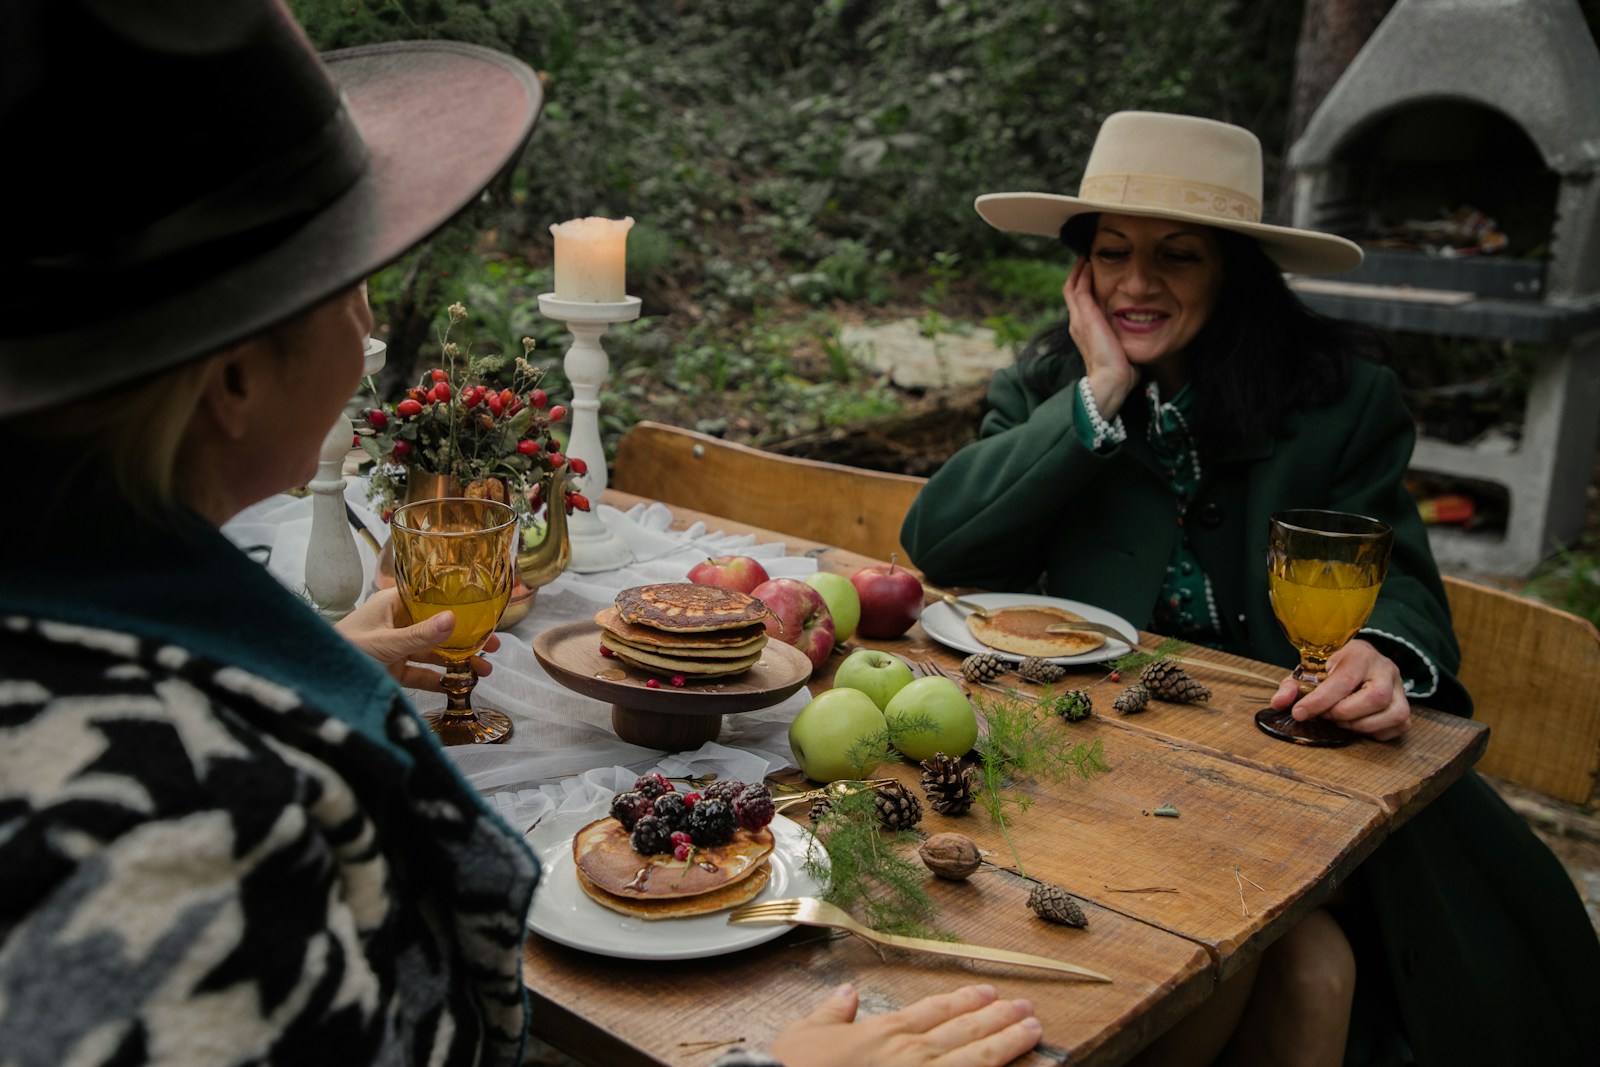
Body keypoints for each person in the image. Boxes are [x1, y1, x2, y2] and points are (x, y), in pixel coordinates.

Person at [0, 4, 1040, 1066]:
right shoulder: (190, 823)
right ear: (232, 377)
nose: (368, 326)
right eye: (346, 285)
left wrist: (304, 665)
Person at [902, 111, 1600, 1066]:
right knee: (1310, 971)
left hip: (1301, 785)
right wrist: (1099, 395)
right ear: (1081, 273)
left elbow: (1399, 585)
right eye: (1113, 253)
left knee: (1305, 961)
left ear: (1233, 268)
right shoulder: (1050, 391)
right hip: (1113, 782)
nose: (1138, 283)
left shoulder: (1339, 403)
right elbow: (941, 542)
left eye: (1178, 256)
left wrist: (1382, 652)